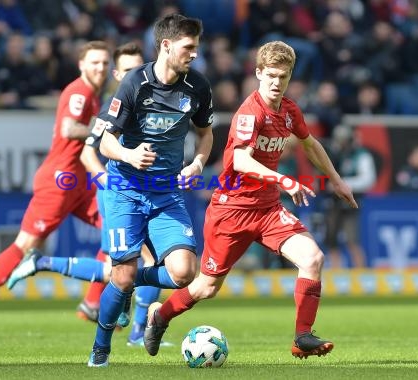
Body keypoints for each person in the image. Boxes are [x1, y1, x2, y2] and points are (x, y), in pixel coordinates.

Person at [142, 40, 357, 360]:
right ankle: (160, 316)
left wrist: (336, 179)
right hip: (231, 211)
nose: (276, 82)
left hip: (268, 209)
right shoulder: (249, 112)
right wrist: (284, 179)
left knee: (312, 258)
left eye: (283, 77)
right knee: (206, 288)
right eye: (270, 75)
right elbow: (241, 161)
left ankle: (302, 336)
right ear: (258, 73)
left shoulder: (289, 110)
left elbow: (310, 144)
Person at [7, 42, 172, 347]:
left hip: (144, 192)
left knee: (119, 268)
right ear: (117, 72)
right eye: (126, 69)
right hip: (117, 195)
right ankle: (137, 332)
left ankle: (43, 264)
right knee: (148, 260)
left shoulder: (150, 100)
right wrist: (106, 181)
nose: (133, 74)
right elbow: (87, 154)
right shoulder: (113, 105)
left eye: (138, 68)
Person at [0, 41, 111, 338]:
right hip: (59, 181)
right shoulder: (79, 91)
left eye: (104, 62)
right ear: (81, 65)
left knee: (116, 231)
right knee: (25, 245)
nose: (100, 68)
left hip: (78, 182)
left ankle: (93, 302)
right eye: (94, 62)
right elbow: (69, 128)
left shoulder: (94, 94)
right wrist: (103, 127)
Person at [88, 14, 214, 367]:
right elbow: (105, 141)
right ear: (166, 45)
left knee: (184, 272)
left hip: (166, 193)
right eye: (189, 47)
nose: (194, 54)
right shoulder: (134, 83)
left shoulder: (198, 87)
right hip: (125, 188)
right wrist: (129, 153)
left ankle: (122, 281)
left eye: (197, 48)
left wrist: (198, 164)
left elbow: (205, 133)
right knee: (124, 274)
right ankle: (101, 348)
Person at [324, 125, 376, 268]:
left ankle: (360, 274)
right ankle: (336, 273)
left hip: (351, 202)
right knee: (331, 240)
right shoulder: (334, 154)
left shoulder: (361, 155)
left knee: (352, 240)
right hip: (333, 201)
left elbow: (368, 180)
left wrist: (342, 184)